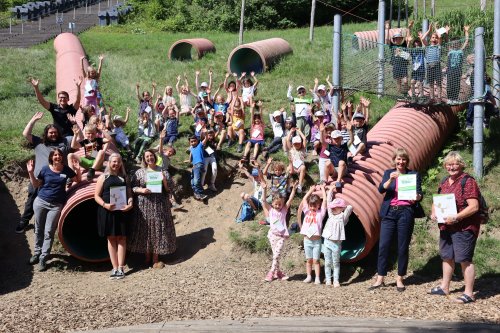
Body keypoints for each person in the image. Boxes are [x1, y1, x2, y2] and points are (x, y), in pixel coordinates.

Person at [429, 151, 481, 304]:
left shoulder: (468, 181)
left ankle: (469, 293)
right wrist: (434, 213)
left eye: (455, 164)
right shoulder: (445, 181)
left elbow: (474, 206)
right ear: (445, 166)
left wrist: (457, 217)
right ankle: (444, 287)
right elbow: (436, 200)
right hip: (446, 227)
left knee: (464, 259)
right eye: (449, 164)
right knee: (447, 257)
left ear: (461, 165)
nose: (452, 167)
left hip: (464, 228)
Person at [370, 148, 423, 292]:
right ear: (394, 160)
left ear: (407, 161)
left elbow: (419, 194)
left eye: (404, 159)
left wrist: (417, 197)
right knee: (384, 245)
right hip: (389, 213)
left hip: (405, 212)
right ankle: (380, 277)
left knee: (402, 246)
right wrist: (391, 179)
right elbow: (381, 189)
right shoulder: (389, 173)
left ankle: (400, 278)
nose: (401, 162)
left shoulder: (413, 174)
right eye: (398, 159)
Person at [16, 112, 72, 233]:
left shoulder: (64, 143)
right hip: (37, 178)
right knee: (31, 201)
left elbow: (80, 140)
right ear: (46, 134)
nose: (53, 134)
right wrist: (33, 120)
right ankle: (24, 222)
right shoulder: (39, 142)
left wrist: (75, 125)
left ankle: (41, 226)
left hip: (54, 181)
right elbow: (25, 134)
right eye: (51, 132)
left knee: (48, 204)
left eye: (55, 132)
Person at [26, 149, 81, 271]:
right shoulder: (45, 169)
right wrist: (30, 173)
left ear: (62, 157)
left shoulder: (66, 169)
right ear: (51, 157)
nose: (58, 157)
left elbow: (78, 180)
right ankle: (36, 253)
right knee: (38, 228)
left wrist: (77, 169)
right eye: (55, 155)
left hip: (56, 205)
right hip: (41, 202)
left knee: (49, 231)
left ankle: (43, 257)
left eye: (60, 155)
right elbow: (36, 184)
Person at [129, 149, 176, 268]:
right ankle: (147, 257)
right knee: (146, 229)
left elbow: (169, 188)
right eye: (147, 156)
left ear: (155, 157)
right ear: (144, 159)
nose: (150, 158)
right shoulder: (139, 172)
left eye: (151, 156)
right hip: (143, 206)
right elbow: (132, 187)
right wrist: (141, 190)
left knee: (158, 229)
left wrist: (164, 181)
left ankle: (155, 258)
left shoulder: (162, 171)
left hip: (160, 204)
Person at [94, 153, 133, 279]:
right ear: (109, 163)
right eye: (114, 162)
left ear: (121, 163)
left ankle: (121, 268)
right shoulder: (103, 177)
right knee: (111, 239)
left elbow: (129, 194)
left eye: (118, 162)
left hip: (122, 211)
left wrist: (130, 204)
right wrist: (105, 205)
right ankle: (114, 268)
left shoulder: (124, 177)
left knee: (122, 238)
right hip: (108, 211)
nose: (116, 164)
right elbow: (96, 196)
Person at [261, 180, 298, 282]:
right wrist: (264, 189)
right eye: (276, 204)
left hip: (281, 236)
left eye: (280, 204)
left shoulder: (284, 210)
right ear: (272, 203)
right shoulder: (271, 210)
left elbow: (290, 200)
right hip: (272, 235)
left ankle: (271, 273)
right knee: (276, 256)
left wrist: (294, 190)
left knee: (276, 255)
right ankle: (279, 272)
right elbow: (263, 201)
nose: (278, 206)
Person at [297, 185, 327, 285]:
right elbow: (304, 200)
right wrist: (310, 190)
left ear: (318, 205)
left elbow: (325, 203)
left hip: (317, 241)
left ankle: (317, 278)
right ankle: (309, 276)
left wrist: (323, 190)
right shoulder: (306, 211)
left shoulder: (321, 213)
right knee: (309, 260)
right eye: (311, 205)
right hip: (307, 240)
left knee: (316, 260)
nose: (312, 207)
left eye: (315, 205)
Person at [323, 192, 353, 287]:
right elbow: (328, 203)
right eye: (332, 208)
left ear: (340, 208)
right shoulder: (330, 215)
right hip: (327, 241)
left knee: (336, 262)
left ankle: (336, 280)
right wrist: (331, 191)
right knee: (327, 262)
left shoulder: (343, 217)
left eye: (335, 208)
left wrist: (343, 206)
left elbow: (350, 207)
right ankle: (328, 279)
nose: (332, 209)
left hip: (336, 244)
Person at [420, 23, 450, 103]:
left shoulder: (438, 46)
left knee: (438, 83)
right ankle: (432, 98)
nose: (434, 39)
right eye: (433, 37)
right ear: (430, 39)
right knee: (431, 83)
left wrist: (436, 28)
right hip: (429, 66)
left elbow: (440, 37)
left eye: (435, 38)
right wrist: (429, 30)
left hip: (437, 65)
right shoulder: (428, 46)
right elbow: (422, 39)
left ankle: (439, 98)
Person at [446, 26, 470, 104]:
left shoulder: (460, 50)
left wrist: (466, 31)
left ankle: (455, 98)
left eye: (457, 43)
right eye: (453, 43)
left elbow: (466, 41)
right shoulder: (450, 50)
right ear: (452, 44)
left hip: (458, 70)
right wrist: (447, 33)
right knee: (450, 84)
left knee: (456, 84)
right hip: (450, 70)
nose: (455, 44)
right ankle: (450, 98)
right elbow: (447, 41)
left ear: (459, 44)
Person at [285, 128, 307, 193]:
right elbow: (287, 140)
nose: (297, 145)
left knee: (303, 167)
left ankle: (300, 185)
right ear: (293, 144)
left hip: (300, 167)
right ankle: (288, 185)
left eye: (298, 143)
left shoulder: (302, 149)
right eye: (295, 143)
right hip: (293, 167)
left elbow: (304, 139)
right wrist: (291, 131)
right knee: (287, 169)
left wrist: (299, 131)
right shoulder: (291, 149)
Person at [187, 135, 208, 200]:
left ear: (197, 141)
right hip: (194, 165)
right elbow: (191, 155)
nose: (193, 143)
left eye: (194, 141)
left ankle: (201, 193)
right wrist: (189, 160)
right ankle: (196, 193)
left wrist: (206, 134)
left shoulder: (200, 145)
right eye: (191, 142)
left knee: (196, 181)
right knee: (192, 181)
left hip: (199, 164)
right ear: (190, 143)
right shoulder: (191, 148)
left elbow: (205, 139)